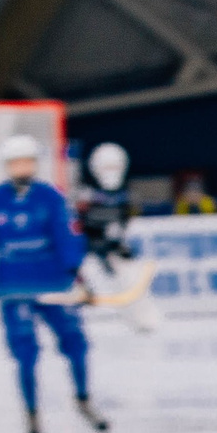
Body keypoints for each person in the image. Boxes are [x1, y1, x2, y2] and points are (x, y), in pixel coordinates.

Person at [0, 134, 109, 433]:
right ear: (7, 166)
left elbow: (67, 235)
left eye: (27, 161)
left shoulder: (51, 198)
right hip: (14, 287)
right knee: (25, 351)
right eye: (16, 163)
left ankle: (83, 398)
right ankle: (31, 412)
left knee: (75, 342)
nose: (22, 168)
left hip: (54, 283)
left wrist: (75, 271)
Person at [73, 140, 158, 333]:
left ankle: (144, 321)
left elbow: (126, 225)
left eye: (115, 166)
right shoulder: (85, 196)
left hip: (113, 249)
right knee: (90, 281)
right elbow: (75, 226)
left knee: (134, 280)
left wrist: (118, 244)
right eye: (107, 166)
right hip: (87, 251)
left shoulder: (127, 197)